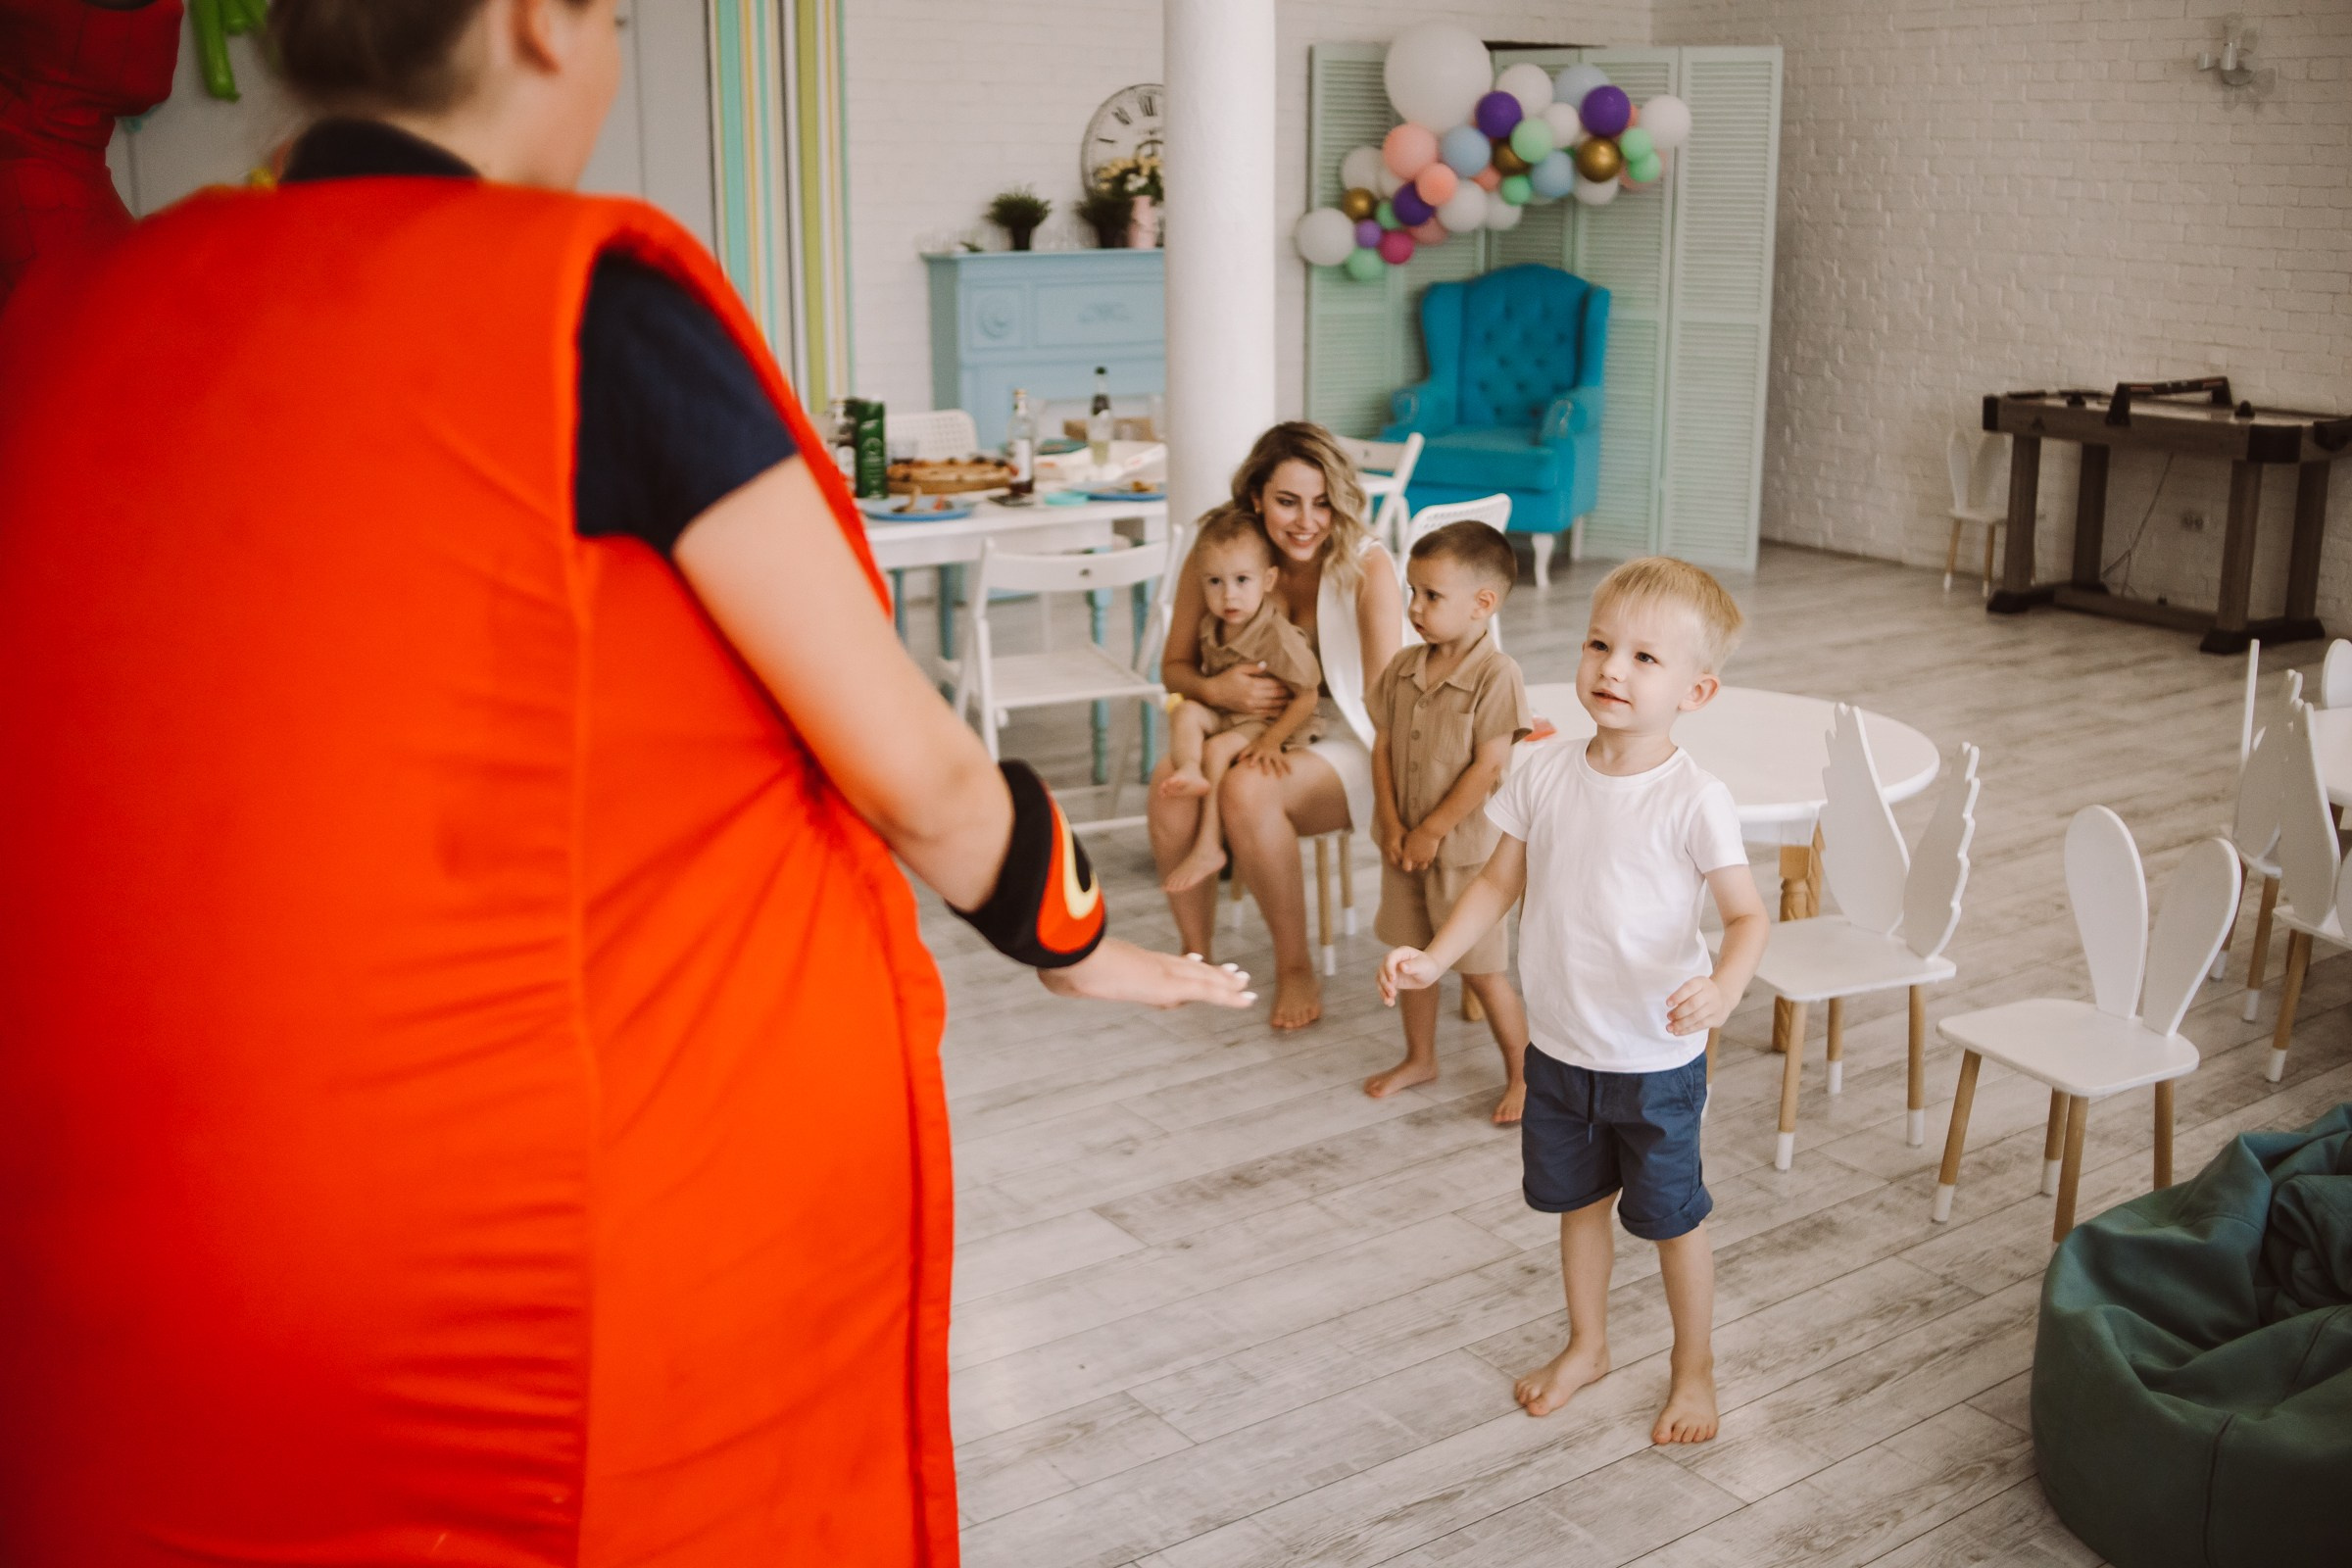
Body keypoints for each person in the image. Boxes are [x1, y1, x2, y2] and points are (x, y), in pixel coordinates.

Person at [0, 1, 1248, 1563]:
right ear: (538, 24)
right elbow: (915, 766)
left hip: (119, 1248)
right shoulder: (579, 312)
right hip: (507, 1270)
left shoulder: (84, 313)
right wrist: (1070, 936)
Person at [1377, 557, 1768, 1446]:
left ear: (1696, 691)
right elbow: (1496, 879)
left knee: (1673, 1222)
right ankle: (1587, 1345)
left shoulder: (1693, 799)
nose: (1612, 670)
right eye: (1600, 644)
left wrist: (1724, 987)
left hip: (1656, 1065)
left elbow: (1747, 917)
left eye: (1644, 658)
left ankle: (1693, 1367)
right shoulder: (1545, 771)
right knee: (1576, 1209)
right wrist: (1437, 959)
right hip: (1559, 1053)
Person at [1151, 422, 1405, 1029]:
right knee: (1168, 787)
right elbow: (1174, 667)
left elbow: (1384, 702)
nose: (1305, 522)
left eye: (1321, 503)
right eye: (1288, 501)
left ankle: (1294, 968)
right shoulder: (1223, 550)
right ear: (1257, 494)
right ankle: (1197, 958)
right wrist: (1214, 689)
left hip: (1342, 734)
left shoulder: (1366, 567)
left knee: (1247, 787)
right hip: (1241, 720)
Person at [1364, 521, 1534, 1124]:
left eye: (1431, 596)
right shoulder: (1405, 668)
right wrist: (1389, 821)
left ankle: (1522, 1074)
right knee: (1411, 960)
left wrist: (1432, 828)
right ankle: (1420, 1058)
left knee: (1484, 973)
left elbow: (1490, 765)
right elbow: (1381, 745)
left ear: (1482, 604)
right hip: (1402, 848)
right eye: (1413, 591)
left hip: (1463, 859)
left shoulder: (1497, 676)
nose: (1414, 607)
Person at [1159, 505, 1324, 895]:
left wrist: (1270, 740)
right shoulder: (1211, 626)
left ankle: (1209, 846)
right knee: (1184, 711)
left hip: (1270, 722)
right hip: (1229, 713)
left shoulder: (1276, 635)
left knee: (1217, 751)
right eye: (1215, 582)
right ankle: (1190, 772)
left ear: (1268, 580)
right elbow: (1177, 676)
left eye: (1241, 581)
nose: (1228, 594)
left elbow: (1308, 695)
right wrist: (1211, 692)